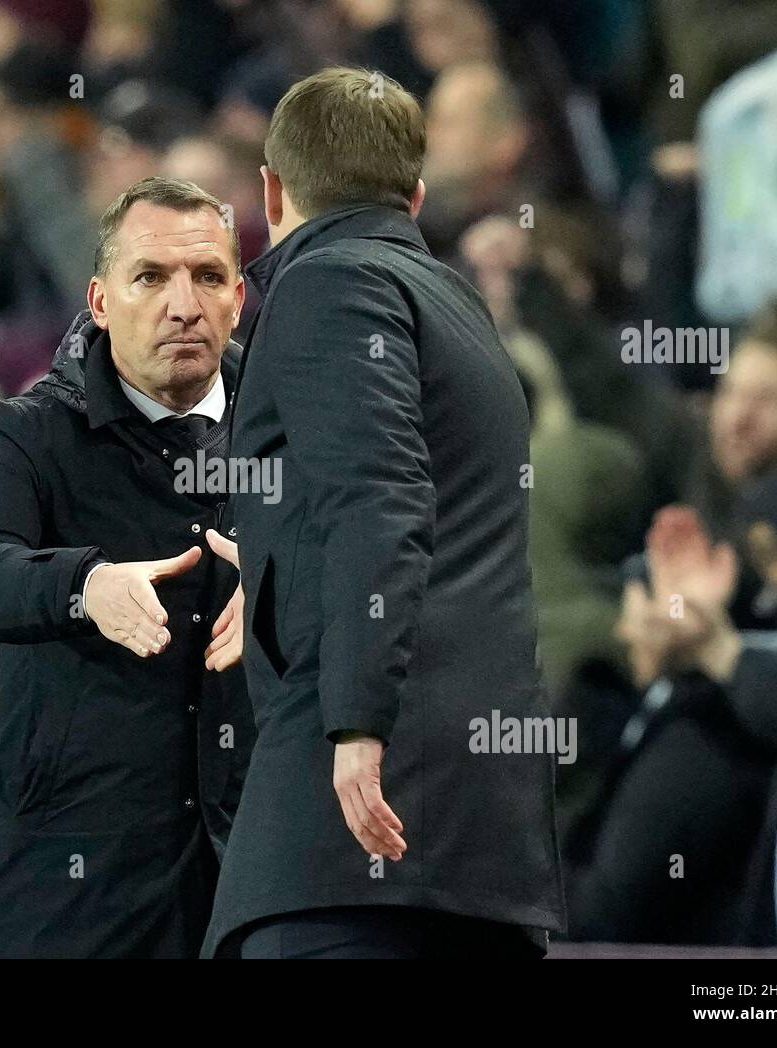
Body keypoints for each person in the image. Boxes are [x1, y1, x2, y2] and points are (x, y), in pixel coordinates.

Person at [201, 67, 564, 959]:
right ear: (415, 193)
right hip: (476, 837)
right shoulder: (458, 305)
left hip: (356, 831)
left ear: (272, 190)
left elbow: (380, 495)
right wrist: (273, 559)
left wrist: (359, 724)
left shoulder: (332, 284)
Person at [0, 176, 254, 957]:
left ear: (238, 299)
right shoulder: (22, 435)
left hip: (244, 893)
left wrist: (291, 581)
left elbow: (404, 564)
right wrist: (82, 585)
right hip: (56, 899)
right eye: (151, 277)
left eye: (207, 277)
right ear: (101, 302)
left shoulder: (298, 432)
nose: (184, 305)